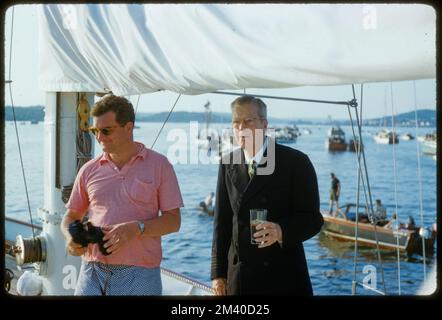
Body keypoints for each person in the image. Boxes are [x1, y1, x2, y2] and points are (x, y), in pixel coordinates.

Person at [61, 94, 183, 295]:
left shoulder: (160, 166)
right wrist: (70, 238)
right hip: (91, 271)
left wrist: (137, 228)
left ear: (128, 128)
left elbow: (173, 221)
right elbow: (70, 216)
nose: (99, 137)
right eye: (95, 130)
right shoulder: (88, 170)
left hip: (141, 275)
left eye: (106, 130)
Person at [211, 96, 324, 295]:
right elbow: (222, 223)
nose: (241, 128)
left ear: (264, 125)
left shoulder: (296, 162)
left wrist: (281, 231)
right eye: (236, 123)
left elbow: (314, 220)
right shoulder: (227, 163)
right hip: (239, 279)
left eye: (248, 121)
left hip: (283, 278)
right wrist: (218, 275)